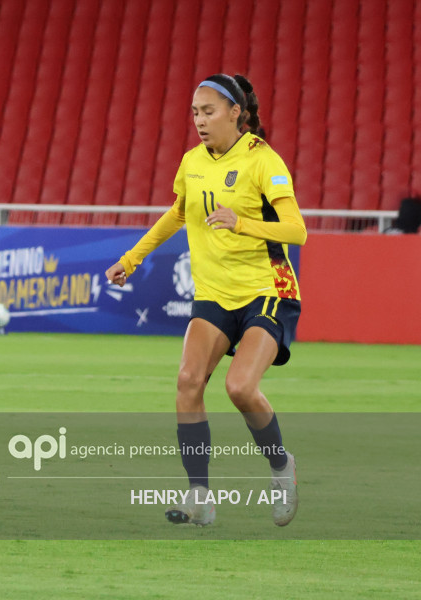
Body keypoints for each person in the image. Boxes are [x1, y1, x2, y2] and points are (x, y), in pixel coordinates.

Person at [106, 74, 307, 527]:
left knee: (239, 387)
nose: (199, 120)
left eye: (209, 111)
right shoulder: (192, 161)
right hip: (214, 294)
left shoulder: (263, 160)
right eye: (195, 112)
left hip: (266, 291)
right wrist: (131, 259)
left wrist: (243, 223)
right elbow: (178, 212)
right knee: (187, 382)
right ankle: (200, 497)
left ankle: (281, 467)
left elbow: (297, 230)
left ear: (236, 113)